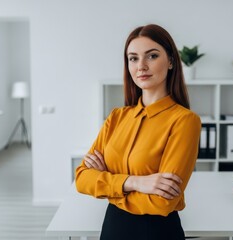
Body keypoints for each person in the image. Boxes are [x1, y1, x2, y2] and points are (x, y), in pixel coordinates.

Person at [75, 24, 201, 240]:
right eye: (133, 58)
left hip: (157, 232)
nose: (141, 66)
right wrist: (134, 182)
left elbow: (163, 202)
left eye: (151, 56)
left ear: (171, 61)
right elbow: (82, 179)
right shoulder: (116, 117)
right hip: (112, 228)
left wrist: (109, 184)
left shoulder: (184, 121)